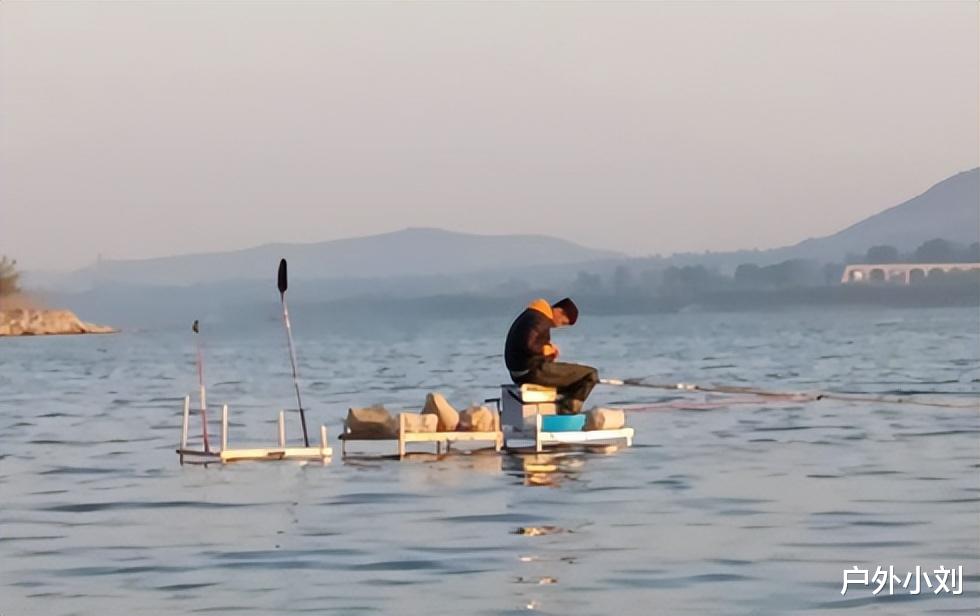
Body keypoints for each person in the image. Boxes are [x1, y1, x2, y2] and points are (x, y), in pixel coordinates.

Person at [504, 297, 598, 414]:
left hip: (520, 372)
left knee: (571, 381)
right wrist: (547, 350)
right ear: (559, 311)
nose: (560, 326)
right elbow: (529, 345)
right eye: (563, 322)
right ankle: (568, 412)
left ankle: (560, 407)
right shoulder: (540, 320)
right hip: (531, 372)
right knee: (590, 374)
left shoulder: (533, 315)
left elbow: (530, 343)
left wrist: (549, 353)